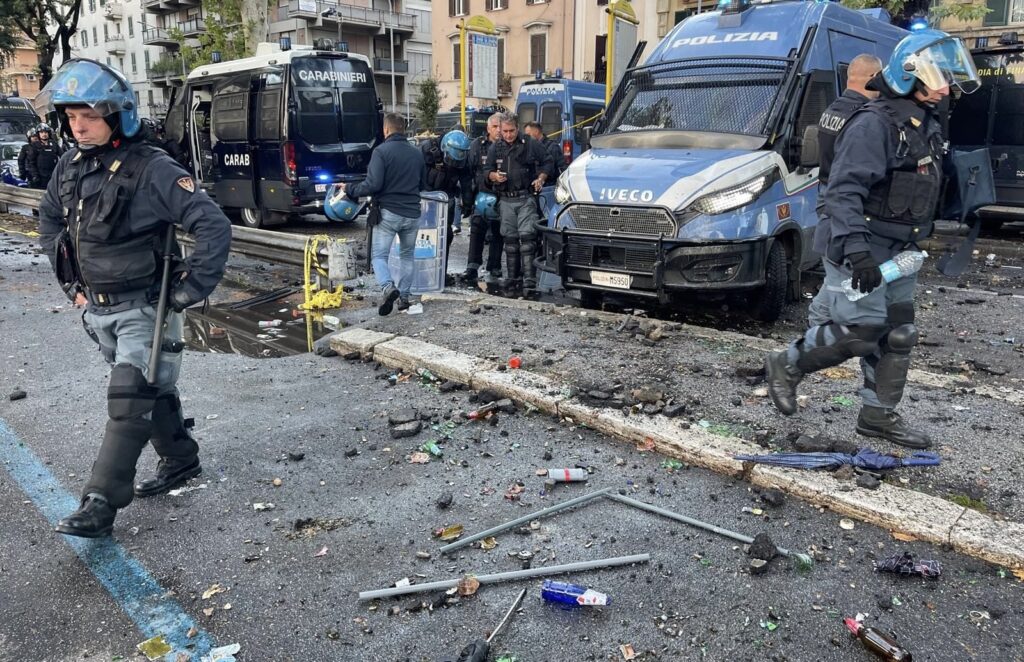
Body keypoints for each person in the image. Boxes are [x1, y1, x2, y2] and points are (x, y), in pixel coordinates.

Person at [35, 58, 232, 538]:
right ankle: (181, 459)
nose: (78, 126)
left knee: (127, 399)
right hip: (98, 309)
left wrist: (189, 292)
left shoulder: (152, 169)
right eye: (71, 116)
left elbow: (213, 225)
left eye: (89, 116)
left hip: (146, 307)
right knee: (153, 388)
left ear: (116, 115)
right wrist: (72, 286)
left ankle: (99, 504)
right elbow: (49, 224)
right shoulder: (71, 166)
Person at [764, 31, 981, 450]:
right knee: (860, 330)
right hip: (861, 247)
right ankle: (786, 363)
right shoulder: (874, 124)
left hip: (901, 252)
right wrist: (859, 253)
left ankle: (878, 416)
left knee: (898, 334)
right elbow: (843, 192)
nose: (944, 86)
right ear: (907, 75)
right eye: (937, 77)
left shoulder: (925, 123)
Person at [342, 112, 426, 315]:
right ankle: (404, 298)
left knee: (379, 256)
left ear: (386, 130)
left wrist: (349, 189)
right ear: (403, 129)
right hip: (413, 213)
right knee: (407, 256)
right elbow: (423, 184)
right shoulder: (417, 153)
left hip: (389, 212)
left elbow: (373, 184)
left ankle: (388, 288)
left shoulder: (381, 152)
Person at [485, 113, 553, 298]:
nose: (508, 135)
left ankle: (529, 279)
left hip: (525, 197)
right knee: (510, 241)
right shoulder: (495, 147)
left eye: (511, 131)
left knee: (527, 240)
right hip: (506, 198)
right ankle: (512, 277)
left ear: (517, 128)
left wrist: (541, 178)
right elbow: (486, 169)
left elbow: (548, 161)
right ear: (500, 129)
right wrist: (494, 176)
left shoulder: (530, 143)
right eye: (505, 131)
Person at [460, 112, 506, 292]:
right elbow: (469, 172)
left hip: (501, 195)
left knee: (498, 232)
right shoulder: (477, 146)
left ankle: (494, 266)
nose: (498, 131)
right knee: (477, 229)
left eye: (500, 127)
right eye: (494, 127)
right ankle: (472, 265)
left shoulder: (506, 146)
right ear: (488, 128)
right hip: (481, 195)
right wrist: (467, 200)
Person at [420, 128, 473, 278]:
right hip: (425, 199)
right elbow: (415, 172)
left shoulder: (463, 157)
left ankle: (440, 273)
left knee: (446, 236)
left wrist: (467, 203)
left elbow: (466, 181)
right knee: (424, 237)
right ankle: (423, 272)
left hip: (446, 200)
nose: (454, 162)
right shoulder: (427, 150)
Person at [27, 122, 64, 189]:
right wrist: (35, 175)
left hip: (53, 176)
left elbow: (63, 156)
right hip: (40, 176)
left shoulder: (54, 144)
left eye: (46, 132)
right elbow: (31, 162)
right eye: (41, 132)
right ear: (38, 134)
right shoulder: (34, 145)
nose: (44, 134)